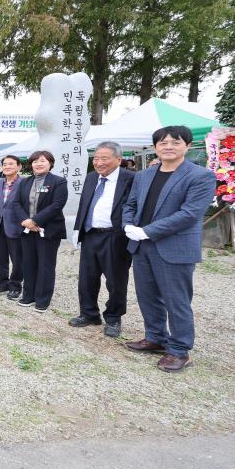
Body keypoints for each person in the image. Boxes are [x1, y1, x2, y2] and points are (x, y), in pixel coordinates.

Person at [122, 125, 216, 372]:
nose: (169, 146)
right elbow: (130, 204)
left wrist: (148, 230)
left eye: (175, 142)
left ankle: (179, 350)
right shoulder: (143, 176)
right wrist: (128, 225)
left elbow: (189, 214)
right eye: (163, 143)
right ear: (155, 147)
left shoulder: (200, 176)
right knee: (147, 295)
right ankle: (155, 337)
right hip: (142, 246)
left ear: (187, 145)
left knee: (177, 300)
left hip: (174, 246)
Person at [70, 142, 135, 337]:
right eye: (96, 158)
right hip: (90, 233)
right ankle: (89, 313)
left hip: (116, 236)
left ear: (118, 159)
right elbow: (84, 205)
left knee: (115, 280)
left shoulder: (131, 179)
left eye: (104, 158)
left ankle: (114, 318)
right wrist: (77, 229)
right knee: (87, 278)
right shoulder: (91, 178)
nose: (99, 163)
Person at [13, 150, 68, 312]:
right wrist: (26, 222)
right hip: (28, 230)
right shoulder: (24, 182)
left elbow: (57, 205)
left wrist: (35, 221)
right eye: (35, 161)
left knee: (45, 264)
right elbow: (16, 203)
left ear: (50, 163)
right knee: (28, 263)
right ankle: (28, 295)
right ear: (31, 165)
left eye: (43, 161)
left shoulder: (58, 182)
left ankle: (43, 299)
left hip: (48, 230)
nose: (39, 164)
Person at [0, 155, 25, 300]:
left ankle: (15, 285)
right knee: (0, 257)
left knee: (17, 259)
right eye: (5, 164)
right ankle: (2, 282)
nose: (7, 166)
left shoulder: (25, 183)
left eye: (11, 164)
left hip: (16, 226)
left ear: (19, 167)